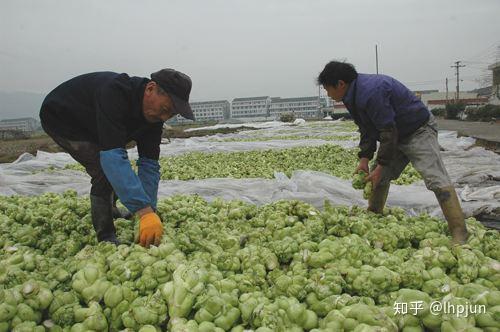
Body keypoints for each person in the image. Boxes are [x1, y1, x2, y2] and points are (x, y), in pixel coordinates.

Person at [317, 61, 468, 245]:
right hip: (396, 134)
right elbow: (366, 129)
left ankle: (459, 231)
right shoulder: (351, 96)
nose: (328, 94)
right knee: (377, 177)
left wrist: (381, 166)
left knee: (435, 177)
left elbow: (388, 130)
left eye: (327, 89)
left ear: (340, 84)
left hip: (417, 130)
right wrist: (364, 159)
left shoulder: (371, 91)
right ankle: (374, 215)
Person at [40, 69, 195, 247]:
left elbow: (149, 165)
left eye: (170, 114)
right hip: (63, 118)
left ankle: (112, 209)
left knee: (116, 166)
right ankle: (105, 235)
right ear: (150, 88)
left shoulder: (154, 119)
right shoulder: (115, 93)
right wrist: (143, 211)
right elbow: (112, 158)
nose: (164, 117)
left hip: (94, 122)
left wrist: (149, 209)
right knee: (104, 169)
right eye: (164, 109)